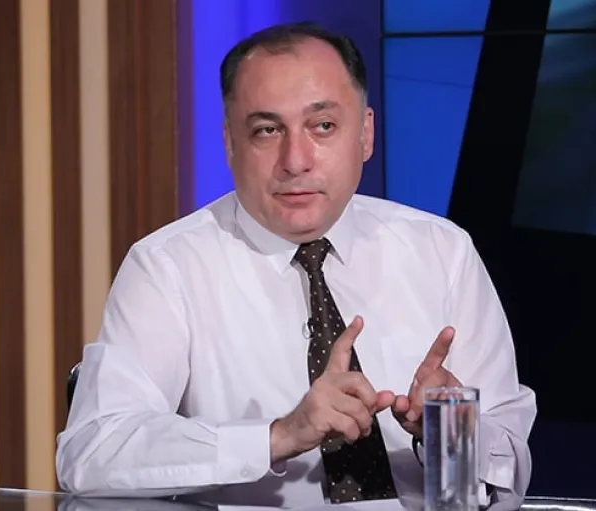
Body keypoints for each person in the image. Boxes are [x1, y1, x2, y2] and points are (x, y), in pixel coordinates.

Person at [55, 21, 536, 510]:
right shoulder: (168, 266)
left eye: (322, 126)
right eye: (267, 131)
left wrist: (449, 434)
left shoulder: (442, 251)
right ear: (230, 143)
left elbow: (511, 468)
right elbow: (92, 451)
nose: (295, 160)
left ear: (365, 134)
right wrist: (278, 435)